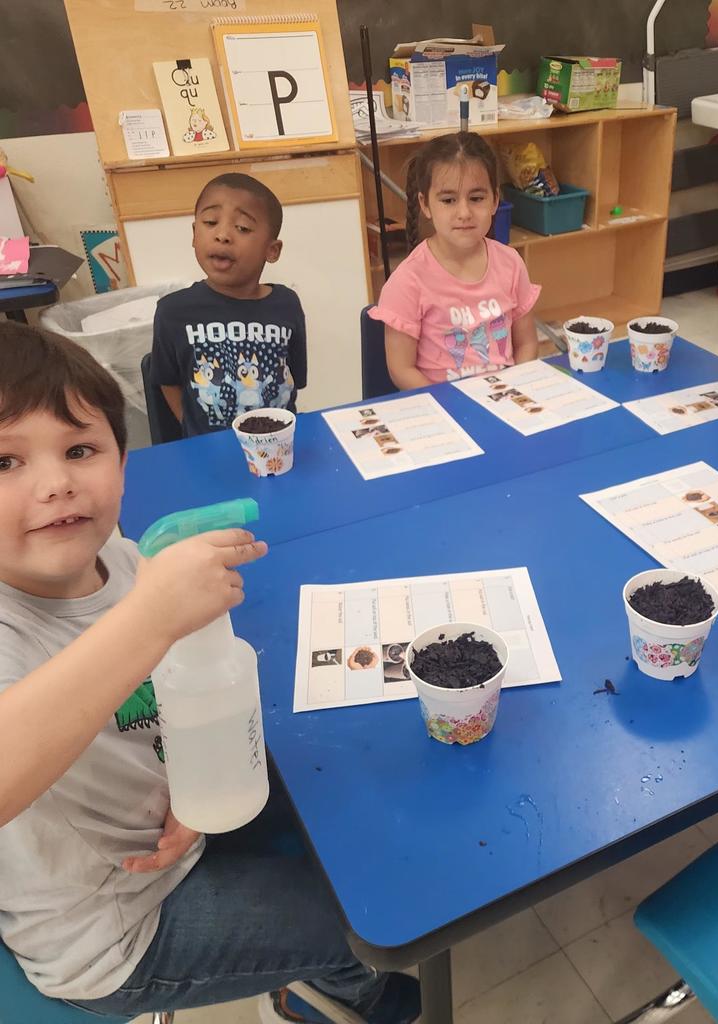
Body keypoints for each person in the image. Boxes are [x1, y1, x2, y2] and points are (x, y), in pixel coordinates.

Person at [0, 322, 419, 1024]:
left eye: (80, 449)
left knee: (359, 805)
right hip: (119, 931)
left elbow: (176, 695)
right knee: (360, 931)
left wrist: (187, 790)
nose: (56, 484)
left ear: (121, 461)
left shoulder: (123, 562)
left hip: (177, 826)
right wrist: (150, 618)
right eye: (3, 462)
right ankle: (332, 999)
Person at [371, 132, 540, 390]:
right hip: (443, 409)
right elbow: (401, 369)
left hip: (506, 402)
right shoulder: (408, 280)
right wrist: (452, 406)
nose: (464, 213)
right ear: (425, 204)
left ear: (495, 200)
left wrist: (514, 390)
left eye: (476, 198)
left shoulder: (511, 263)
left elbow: (527, 343)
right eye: (448, 200)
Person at [151, 173, 307, 437]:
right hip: (209, 455)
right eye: (210, 222)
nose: (222, 235)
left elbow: (294, 380)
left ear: (272, 250)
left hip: (276, 446)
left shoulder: (287, 304)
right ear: (193, 233)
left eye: (243, 228)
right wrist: (191, 427)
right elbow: (166, 381)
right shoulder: (173, 311)